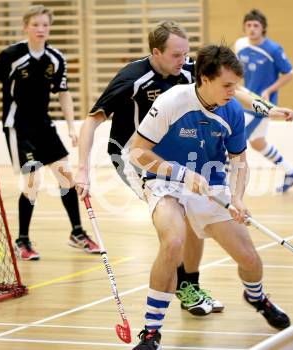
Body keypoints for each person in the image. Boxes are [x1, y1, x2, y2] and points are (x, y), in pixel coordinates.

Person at [127, 44, 291, 349]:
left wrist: (239, 199)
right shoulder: (171, 101)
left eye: (235, 85)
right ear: (204, 78)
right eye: (227, 85)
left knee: (249, 259)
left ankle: (255, 297)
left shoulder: (232, 111)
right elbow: (137, 153)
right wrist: (180, 173)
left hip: (211, 185)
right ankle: (151, 332)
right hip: (166, 181)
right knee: (173, 241)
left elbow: (240, 161)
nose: (233, 91)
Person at [75, 21, 223, 316]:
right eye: (176, 55)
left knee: (191, 211)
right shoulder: (132, 78)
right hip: (132, 158)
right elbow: (92, 120)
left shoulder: (186, 68)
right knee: (173, 217)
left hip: (169, 153)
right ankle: (183, 290)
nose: (184, 61)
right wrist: (82, 169)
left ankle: (188, 285)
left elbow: (228, 84)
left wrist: (266, 109)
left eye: (186, 53)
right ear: (156, 52)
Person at [0, 5, 99, 260]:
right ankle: (22, 240)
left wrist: (70, 126)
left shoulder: (55, 59)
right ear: (25, 27)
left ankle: (77, 233)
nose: (41, 29)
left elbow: (64, 93)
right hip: (17, 126)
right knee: (33, 183)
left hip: (44, 124)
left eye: (45, 24)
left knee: (66, 178)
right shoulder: (11, 55)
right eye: (36, 24)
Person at [235, 9, 293, 193]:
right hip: (247, 100)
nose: (252, 29)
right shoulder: (240, 45)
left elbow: (289, 73)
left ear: (263, 28)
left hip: (263, 105)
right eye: (248, 25)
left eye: (256, 25)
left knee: (234, 137)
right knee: (257, 142)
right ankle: (291, 172)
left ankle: (223, 183)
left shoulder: (273, 49)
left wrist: (269, 89)